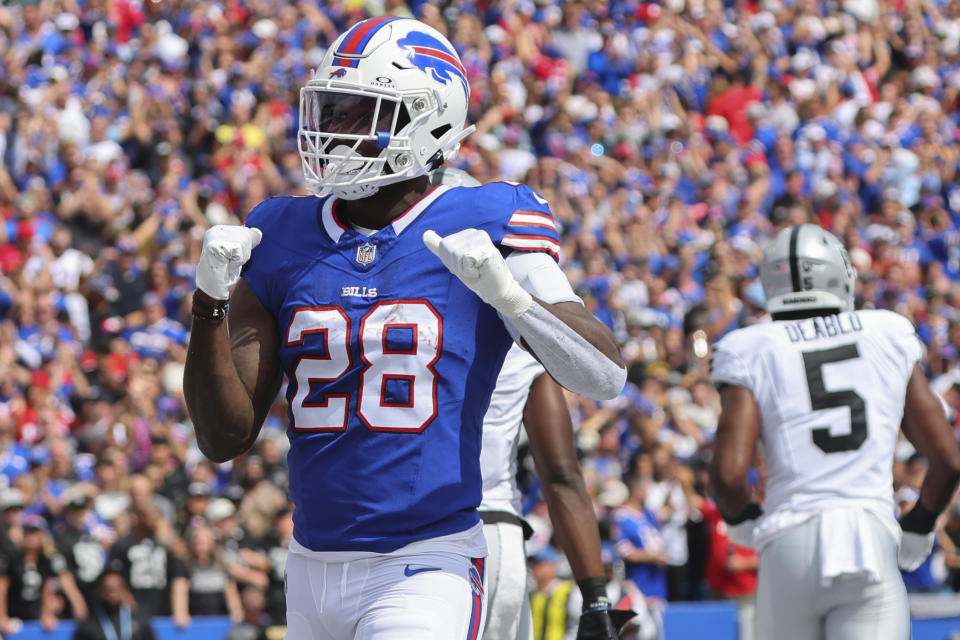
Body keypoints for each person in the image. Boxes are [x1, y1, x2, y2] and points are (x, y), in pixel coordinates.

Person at [183, 16, 626, 640]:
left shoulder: (489, 217)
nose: (330, 130)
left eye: (357, 112)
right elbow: (222, 437)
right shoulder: (280, 231)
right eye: (330, 109)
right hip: (309, 566)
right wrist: (208, 305)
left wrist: (512, 299)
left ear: (427, 121)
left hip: (428, 562)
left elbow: (605, 374)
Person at [709, 223, 960, 640]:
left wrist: (742, 520)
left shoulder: (751, 347)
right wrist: (919, 524)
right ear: (840, 274)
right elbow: (949, 459)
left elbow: (729, 474)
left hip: (789, 538)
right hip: (869, 538)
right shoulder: (884, 332)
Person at [431, 167, 633, 640]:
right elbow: (560, 473)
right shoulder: (519, 341)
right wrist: (595, 596)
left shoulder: (376, 324)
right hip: (490, 529)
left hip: (400, 529)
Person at [72, 560, 156, 640]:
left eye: (117, 588)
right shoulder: (88, 624)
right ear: (98, 591)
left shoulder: (139, 620)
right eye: (107, 589)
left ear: (125, 590)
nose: (112, 594)